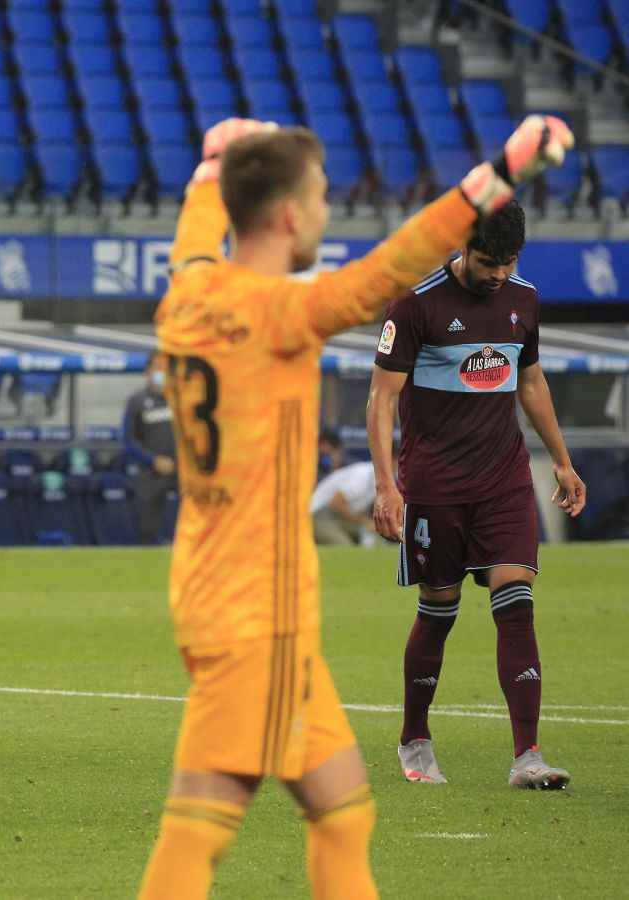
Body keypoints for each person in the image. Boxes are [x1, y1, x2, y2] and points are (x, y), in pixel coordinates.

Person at [138, 113, 572, 899]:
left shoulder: (188, 288)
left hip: (218, 597)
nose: (328, 212)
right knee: (198, 827)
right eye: (320, 197)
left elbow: (199, 229)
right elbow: (386, 270)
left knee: (341, 814)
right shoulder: (278, 314)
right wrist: (498, 171)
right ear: (288, 216)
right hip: (255, 615)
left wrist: (210, 165)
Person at [366, 201, 586, 790]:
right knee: (439, 612)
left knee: (516, 603)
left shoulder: (523, 299)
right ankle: (414, 738)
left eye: (509, 262)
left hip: (504, 481)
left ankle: (528, 757)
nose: (498, 274)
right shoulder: (416, 302)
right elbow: (382, 398)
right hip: (435, 486)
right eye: (488, 262)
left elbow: (531, 380)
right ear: (463, 247)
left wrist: (562, 462)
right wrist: (387, 486)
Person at [122, 352, 178, 544]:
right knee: (147, 525)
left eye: (165, 368)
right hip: (151, 472)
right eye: (157, 367)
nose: (161, 372)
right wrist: (153, 460)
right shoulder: (136, 401)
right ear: (148, 370)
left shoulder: (182, 399)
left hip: (183, 471)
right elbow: (129, 440)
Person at [310, 448, 394, 546]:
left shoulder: (380, 481)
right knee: (344, 545)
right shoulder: (363, 474)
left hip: (338, 518)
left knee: (377, 541)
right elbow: (336, 503)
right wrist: (364, 521)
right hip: (317, 517)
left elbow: (360, 510)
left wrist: (369, 524)